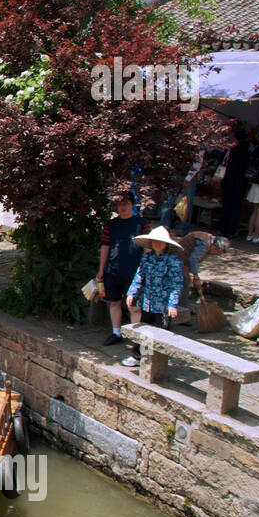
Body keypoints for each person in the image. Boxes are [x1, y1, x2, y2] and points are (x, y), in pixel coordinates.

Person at [122, 225, 185, 368]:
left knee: (162, 333)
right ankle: (139, 357)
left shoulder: (173, 260)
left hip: (163, 305)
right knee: (145, 330)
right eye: (155, 241)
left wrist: (172, 304)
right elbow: (139, 277)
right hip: (148, 301)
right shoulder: (146, 258)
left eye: (160, 241)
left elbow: (177, 284)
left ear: (166, 244)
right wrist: (132, 293)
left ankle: (158, 362)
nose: (157, 244)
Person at [96, 190, 150, 347]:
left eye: (126, 203)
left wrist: (145, 269)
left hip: (134, 272)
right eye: (120, 203)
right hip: (113, 270)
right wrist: (101, 269)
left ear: (132, 204)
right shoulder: (111, 225)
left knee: (134, 306)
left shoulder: (142, 224)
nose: (123, 206)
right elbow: (105, 247)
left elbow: (147, 248)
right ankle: (116, 332)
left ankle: (136, 340)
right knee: (114, 302)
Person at [218, 122, 251, 239]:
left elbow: (221, 162)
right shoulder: (246, 152)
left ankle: (223, 228)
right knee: (236, 206)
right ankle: (231, 229)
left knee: (226, 205)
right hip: (240, 182)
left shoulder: (230, 151)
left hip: (227, 180)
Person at [160, 149, 204, 234]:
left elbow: (198, 162)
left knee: (187, 203)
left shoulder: (199, 144)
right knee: (168, 200)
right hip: (175, 171)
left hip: (190, 172)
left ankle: (183, 228)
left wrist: (188, 178)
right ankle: (164, 227)